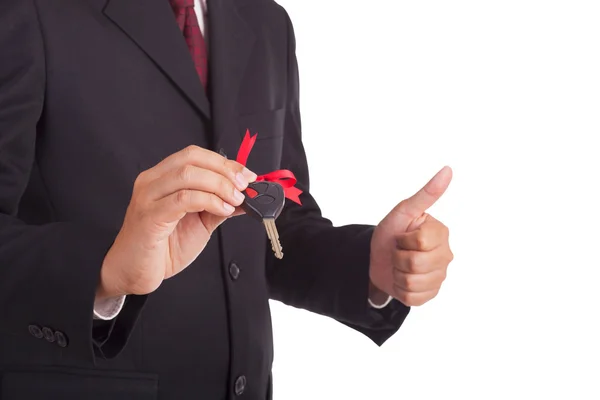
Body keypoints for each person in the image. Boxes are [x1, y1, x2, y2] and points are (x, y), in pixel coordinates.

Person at [0, 0, 454, 398]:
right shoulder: (27, 10)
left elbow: (272, 223)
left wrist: (370, 267)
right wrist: (106, 272)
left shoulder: (266, 19)